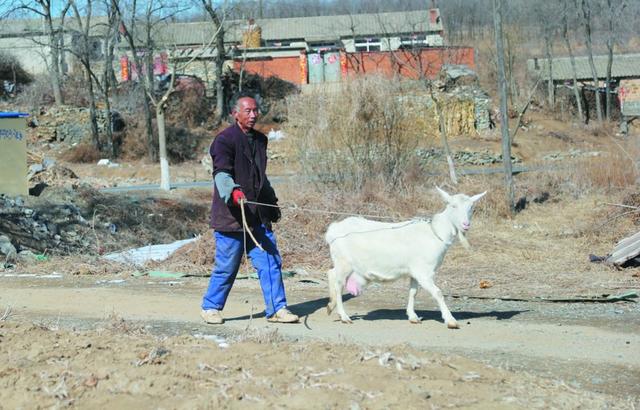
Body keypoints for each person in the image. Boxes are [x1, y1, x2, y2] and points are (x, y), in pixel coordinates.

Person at [201, 91, 299, 324]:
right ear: (236, 114)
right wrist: (233, 191)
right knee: (227, 267)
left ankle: (277, 309)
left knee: (270, 261)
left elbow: (260, 177)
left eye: (256, 110)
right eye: (248, 111)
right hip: (231, 217)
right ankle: (210, 307)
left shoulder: (261, 140)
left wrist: (271, 201)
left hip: (257, 217)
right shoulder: (224, 140)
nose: (253, 115)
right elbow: (221, 173)